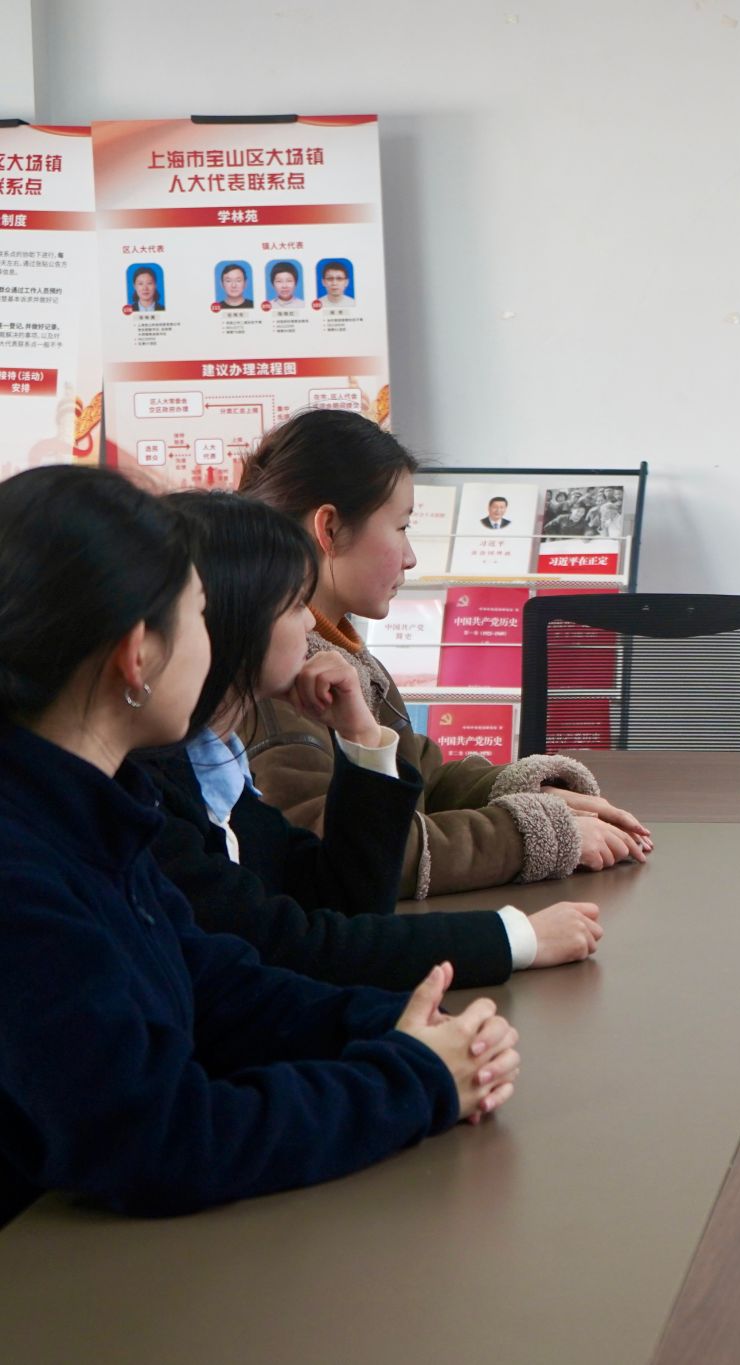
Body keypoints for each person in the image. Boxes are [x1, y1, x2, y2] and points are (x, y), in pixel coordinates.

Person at [0, 465, 518, 1224]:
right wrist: (412, 1077)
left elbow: (216, 984)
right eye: (199, 615)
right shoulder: (24, 869)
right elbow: (163, 1137)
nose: (215, 640)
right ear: (137, 655)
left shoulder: (96, 808)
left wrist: (401, 1024)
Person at [141, 491, 602, 989]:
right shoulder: (159, 795)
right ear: (234, 622)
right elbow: (295, 948)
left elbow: (344, 897)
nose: (308, 621)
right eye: (294, 605)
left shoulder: (219, 770)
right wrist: (513, 937)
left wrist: (361, 736)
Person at [236, 409, 652, 894]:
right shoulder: (280, 677)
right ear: (328, 529)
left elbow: (416, 775)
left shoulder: (341, 654)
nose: (411, 556)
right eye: (401, 527)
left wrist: (532, 791)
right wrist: (532, 836)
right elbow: (354, 853)